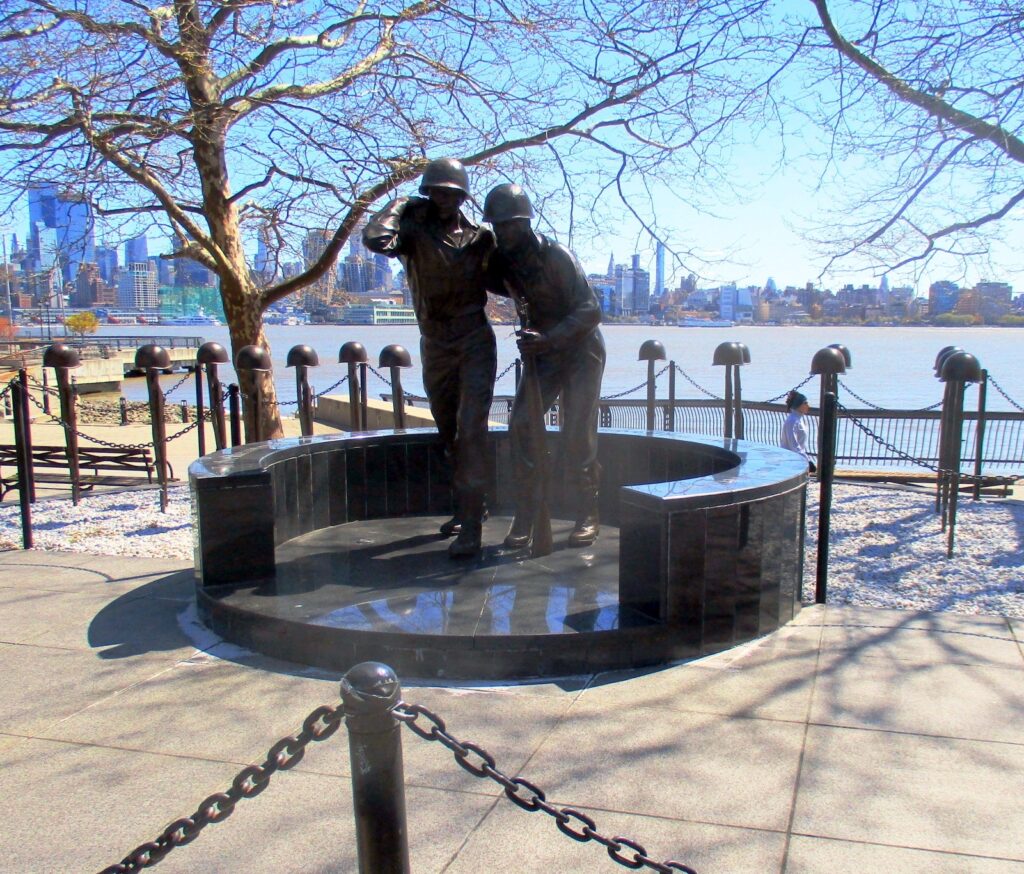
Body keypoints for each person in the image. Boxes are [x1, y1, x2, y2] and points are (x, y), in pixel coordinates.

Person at [363, 158, 496, 558]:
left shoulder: (480, 239)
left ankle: (471, 527)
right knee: (449, 435)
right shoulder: (412, 230)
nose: (441, 198)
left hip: (474, 342)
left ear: (462, 196)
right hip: (436, 345)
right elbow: (374, 239)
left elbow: (507, 280)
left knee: (471, 431)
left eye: (449, 192)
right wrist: (400, 205)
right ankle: (468, 506)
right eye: (434, 190)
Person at [483, 183, 606, 548]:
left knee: (577, 432)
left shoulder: (557, 256)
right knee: (521, 426)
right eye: (496, 226)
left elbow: (591, 310)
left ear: (525, 222)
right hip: (544, 356)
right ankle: (528, 515)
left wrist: (550, 338)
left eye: (508, 225)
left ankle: (588, 512)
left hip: (581, 351)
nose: (502, 232)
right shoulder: (501, 260)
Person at [781, 390, 816, 473]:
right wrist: (807, 460)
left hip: (797, 460)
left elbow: (800, 445)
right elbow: (793, 444)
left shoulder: (799, 420)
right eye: (805, 403)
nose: (808, 406)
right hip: (790, 461)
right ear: (798, 405)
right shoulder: (792, 421)